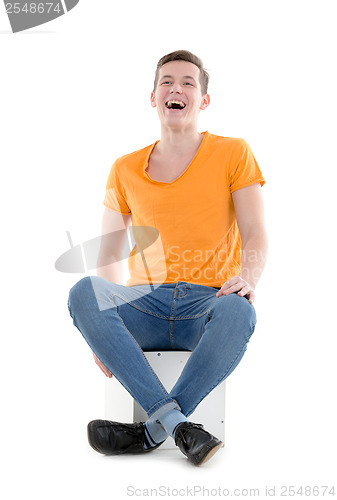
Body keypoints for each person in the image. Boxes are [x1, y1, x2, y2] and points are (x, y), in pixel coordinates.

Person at [67, 50, 268, 466]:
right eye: (167, 82)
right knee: (85, 290)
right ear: (153, 97)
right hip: (146, 302)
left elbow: (255, 230)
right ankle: (178, 428)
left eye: (188, 82)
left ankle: (153, 428)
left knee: (240, 312)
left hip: (206, 304)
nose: (176, 88)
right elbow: (108, 250)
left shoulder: (234, 153)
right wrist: (102, 330)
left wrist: (249, 277)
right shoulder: (124, 168)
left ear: (204, 100)